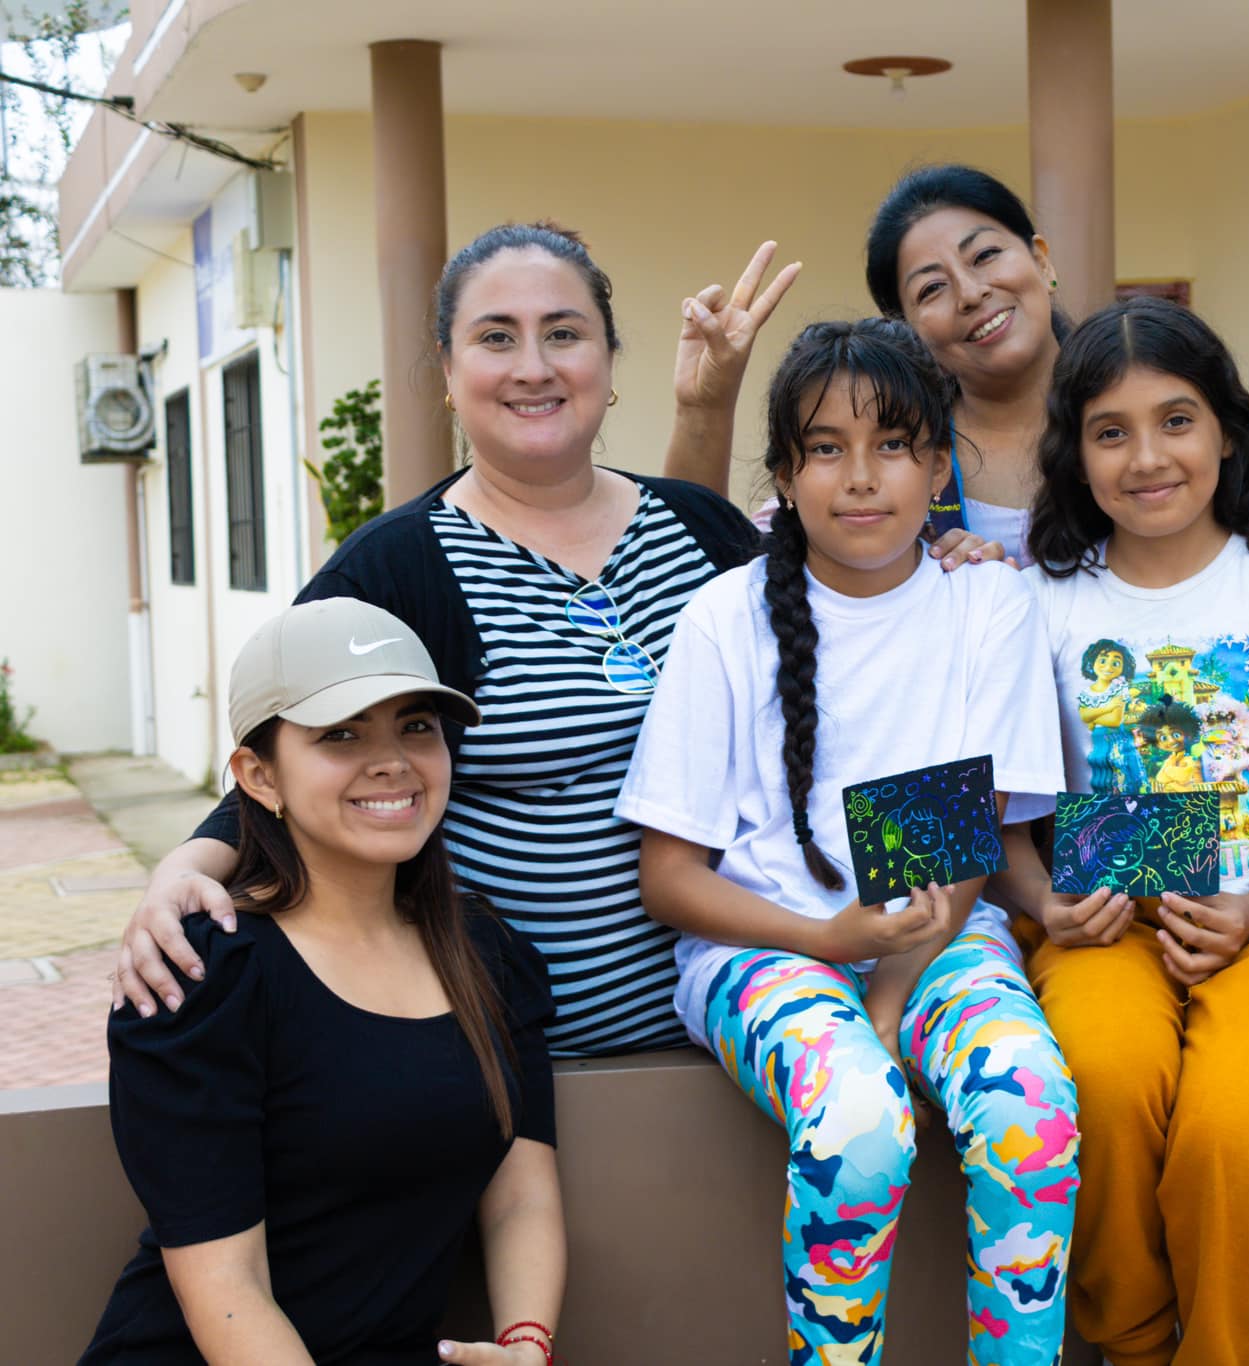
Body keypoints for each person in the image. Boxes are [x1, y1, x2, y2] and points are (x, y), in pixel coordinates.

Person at [112, 223, 774, 1057]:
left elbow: (847, 696)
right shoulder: (396, 569)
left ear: (608, 360)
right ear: (450, 373)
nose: (533, 366)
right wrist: (181, 874)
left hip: (761, 1040)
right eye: (496, 337)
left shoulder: (702, 530)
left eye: (563, 333)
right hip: (512, 1069)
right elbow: (284, 758)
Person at [618, 318, 1079, 1362]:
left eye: (894, 445)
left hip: (942, 939)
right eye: (825, 448)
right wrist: (827, 942)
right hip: (763, 946)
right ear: (784, 474)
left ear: (938, 466)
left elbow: (961, 850)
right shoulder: (724, 617)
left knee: (1033, 1113)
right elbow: (669, 878)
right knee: (859, 1120)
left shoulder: (985, 604)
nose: (861, 477)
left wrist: (886, 994)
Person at [995, 297, 1249, 1365]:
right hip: (1105, 922)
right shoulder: (1037, 600)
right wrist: (1044, 904)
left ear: (1227, 430)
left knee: (1232, 1120)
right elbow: (1002, 812)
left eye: (1175, 420)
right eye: (1109, 432)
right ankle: (1131, 1343)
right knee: (1101, 1080)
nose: (1147, 457)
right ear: (1073, 454)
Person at [82, 599, 562, 1366]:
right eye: (341, 734)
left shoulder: (487, 954)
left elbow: (521, 1196)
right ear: (258, 775)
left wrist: (527, 1347)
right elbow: (227, 1282)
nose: (393, 761)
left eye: (416, 726)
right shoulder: (208, 975)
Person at [667, 164, 1249, 566]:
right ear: (906, 325)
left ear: (1041, 260)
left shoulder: (1180, 441)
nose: (970, 293)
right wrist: (705, 405)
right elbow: (705, 557)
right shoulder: (896, 457)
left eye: (986, 255)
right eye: (931, 288)